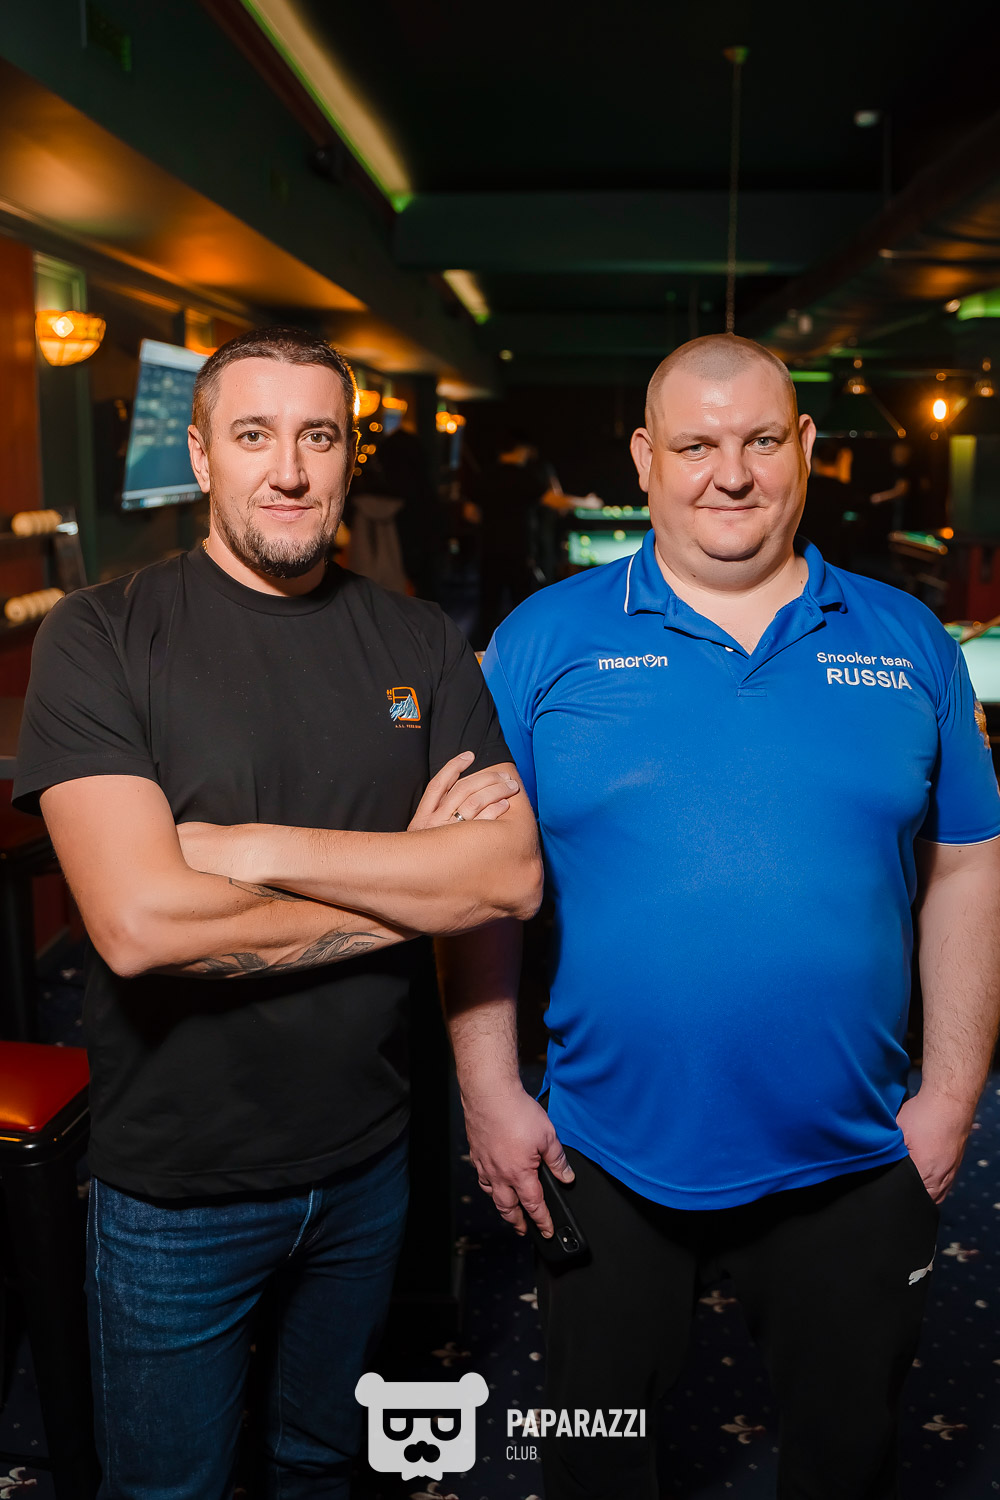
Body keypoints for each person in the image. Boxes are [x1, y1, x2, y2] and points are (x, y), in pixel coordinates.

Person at [451, 333, 1000, 1499]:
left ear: (803, 445)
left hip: (856, 1151)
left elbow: (966, 865)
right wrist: (489, 1089)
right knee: (593, 1460)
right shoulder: (541, 640)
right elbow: (475, 890)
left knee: (846, 1460)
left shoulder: (908, 641)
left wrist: (952, 1097)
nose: (731, 475)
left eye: (758, 441)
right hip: (601, 1150)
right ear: (644, 458)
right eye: (695, 446)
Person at [13, 326, 542, 1500]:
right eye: (254, 435)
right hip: (178, 1186)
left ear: (351, 456)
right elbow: (142, 926)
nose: (290, 470)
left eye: (320, 437)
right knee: (170, 1491)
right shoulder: (100, 634)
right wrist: (416, 885)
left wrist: (250, 850)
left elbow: (507, 879)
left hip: (368, 1162)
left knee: (319, 1465)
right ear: (202, 455)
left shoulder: (418, 639)